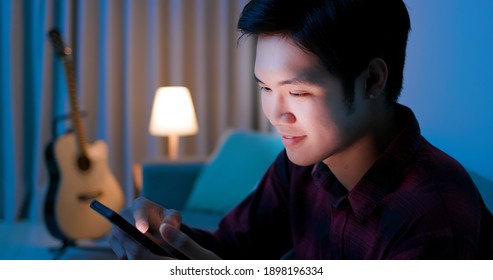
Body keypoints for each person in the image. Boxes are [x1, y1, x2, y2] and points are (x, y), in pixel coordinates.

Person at [110, 0, 493, 259]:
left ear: (372, 81)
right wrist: (162, 241)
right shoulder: (301, 166)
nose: (276, 114)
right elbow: (230, 251)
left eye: (297, 91)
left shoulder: (432, 217)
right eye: (265, 87)